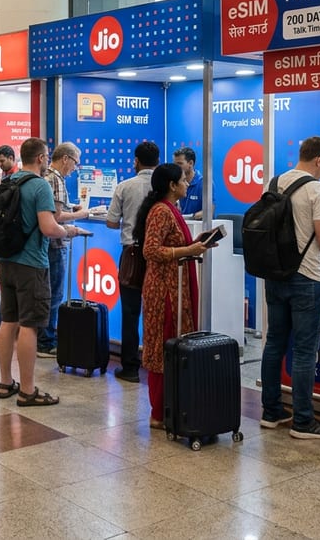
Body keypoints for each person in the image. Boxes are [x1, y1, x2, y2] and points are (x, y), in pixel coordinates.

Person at [260, 136, 320, 439]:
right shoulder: (317, 189)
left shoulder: (274, 184)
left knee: (274, 344)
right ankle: (303, 421)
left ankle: (271, 411)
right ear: (319, 160)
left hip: (275, 276)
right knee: (303, 351)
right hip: (307, 278)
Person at [0, 138, 82, 408]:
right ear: (42, 158)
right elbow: (48, 226)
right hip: (31, 263)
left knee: (9, 321)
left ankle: (6, 382)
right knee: (30, 326)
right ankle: (28, 390)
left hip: (6, 261)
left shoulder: (9, 182)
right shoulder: (39, 185)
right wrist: (68, 230)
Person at [134, 163, 212, 430]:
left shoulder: (170, 209)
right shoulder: (160, 211)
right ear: (171, 185)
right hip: (164, 290)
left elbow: (172, 244)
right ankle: (159, 411)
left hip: (174, 287)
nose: (187, 184)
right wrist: (187, 250)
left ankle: (173, 406)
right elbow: (151, 250)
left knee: (174, 342)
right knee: (162, 345)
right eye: (183, 180)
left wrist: (194, 244)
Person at [106, 140, 159, 383]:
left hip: (132, 254)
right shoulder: (164, 187)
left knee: (130, 312)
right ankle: (157, 364)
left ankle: (130, 367)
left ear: (136, 161)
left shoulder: (124, 186)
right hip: (158, 255)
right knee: (156, 311)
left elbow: (111, 222)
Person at [38, 142, 88, 357]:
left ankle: (44, 337)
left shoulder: (45, 178)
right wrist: (82, 214)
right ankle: (47, 341)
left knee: (47, 292)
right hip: (56, 243)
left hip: (45, 244)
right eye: (75, 163)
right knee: (55, 293)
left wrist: (70, 207)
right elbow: (56, 217)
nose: (75, 168)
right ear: (65, 158)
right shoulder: (56, 179)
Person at [172, 146, 203, 219]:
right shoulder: (173, 183)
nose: (176, 167)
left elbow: (208, 212)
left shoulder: (203, 183)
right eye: (174, 164)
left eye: (179, 164)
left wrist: (185, 218)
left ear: (191, 163)